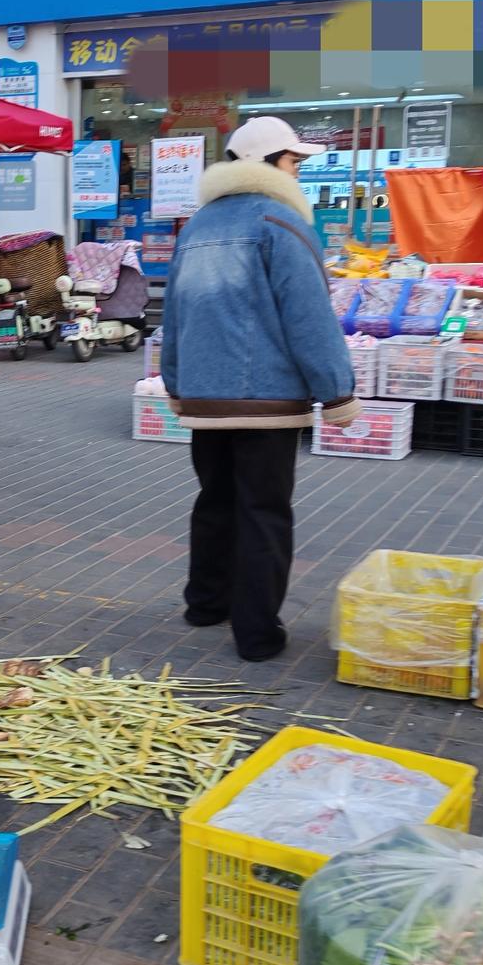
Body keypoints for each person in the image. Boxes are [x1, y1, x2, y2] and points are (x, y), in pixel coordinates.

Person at [160, 115, 359, 663]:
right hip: (267, 400)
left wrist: (175, 384)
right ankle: (256, 634)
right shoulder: (283, 224)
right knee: (264, 512)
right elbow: (310, 317)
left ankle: (204, 605)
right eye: (293, 161)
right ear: (268, 164)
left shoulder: (197, 227)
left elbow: (172, 315)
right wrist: (338, 392)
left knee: (215, 501)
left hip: (205, 398)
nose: (298, 173)